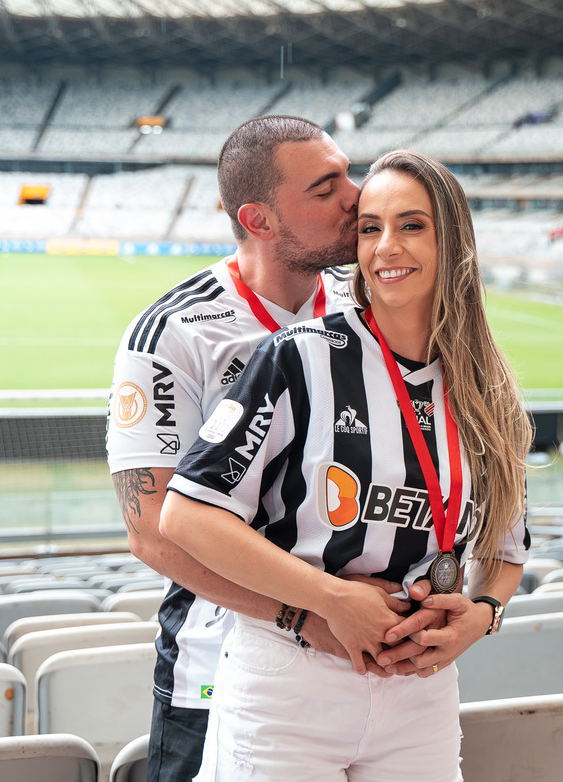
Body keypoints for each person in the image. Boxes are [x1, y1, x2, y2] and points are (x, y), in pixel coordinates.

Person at [159, 150, 533, 780]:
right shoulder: (297, 358)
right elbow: (185, 515)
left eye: (412, 225)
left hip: (422, 692)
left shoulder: (487, 388)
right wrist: (329, 599)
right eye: (370, 227)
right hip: (291, 680)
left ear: (454, 241)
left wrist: (481, 615)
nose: (387, 246)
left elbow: (507, 549)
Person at [107, 116, 433, 782]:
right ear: (258, 219)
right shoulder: (173, 334)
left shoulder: (371, 304)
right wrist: (305, 613)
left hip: (372, 673)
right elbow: (153, 535)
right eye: (326, 187)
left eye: (348, 172)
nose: (357, 195)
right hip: (217, 676)